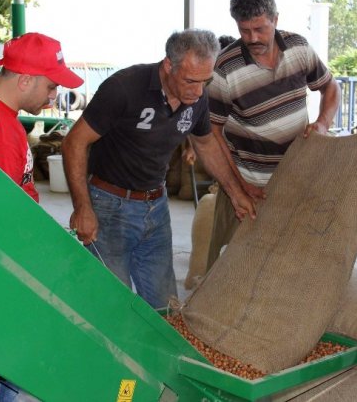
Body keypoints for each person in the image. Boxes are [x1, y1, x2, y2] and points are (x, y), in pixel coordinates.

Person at [61, 29, 257, 309]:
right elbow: (74, 143)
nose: (198, 91)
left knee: (165, 306)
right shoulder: (124, 87)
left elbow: (206, 145)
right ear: (168, 65)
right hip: (110, 207)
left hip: (156, 207)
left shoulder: (198, 97)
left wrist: (236, 193)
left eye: (205, 81)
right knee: (111, 305)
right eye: (190, 81)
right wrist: (83, 207)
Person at [0, 32, 83, 402]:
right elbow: (2, 217)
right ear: (25, 79)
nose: (54, 96)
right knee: (7, 356)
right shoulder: (2, 133)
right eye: (51, 85)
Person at [205, 0, 340, 270]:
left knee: (293, 262)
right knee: (237, 265)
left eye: (260, 29)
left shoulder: (299, 48)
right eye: (245, 31)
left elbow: (330, 87)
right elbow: (211, 134)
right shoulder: (224, 69)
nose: (253, 38)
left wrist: (323, 124)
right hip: (250, 185)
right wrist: (238, 187)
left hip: (298, 180)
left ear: (275, 19)